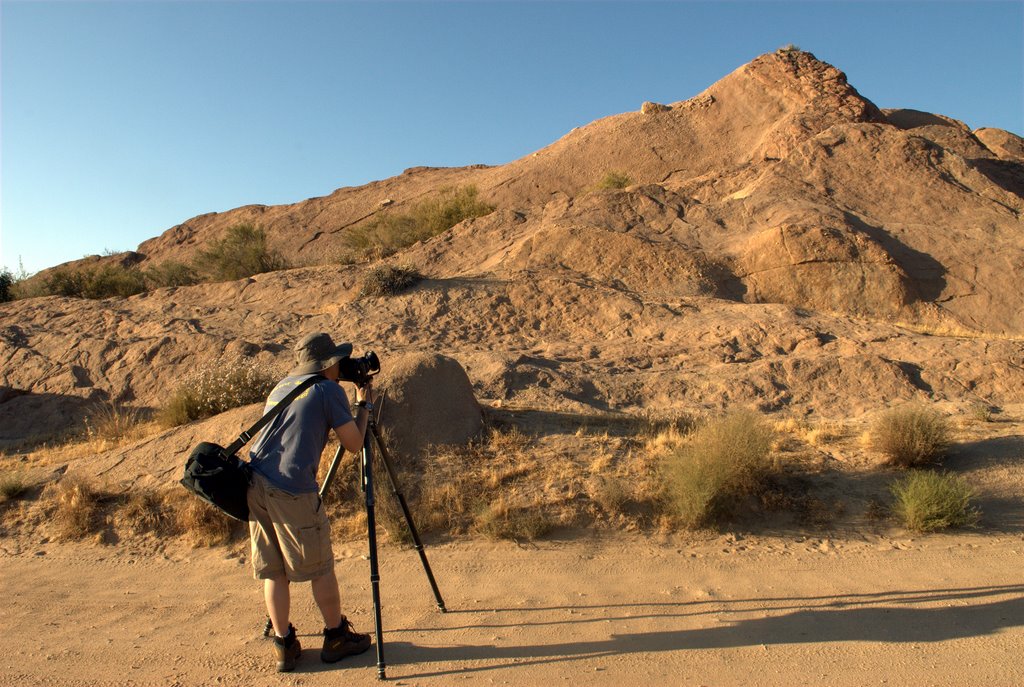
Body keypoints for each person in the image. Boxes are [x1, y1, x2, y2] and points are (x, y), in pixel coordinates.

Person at [246, 332, 374, 672]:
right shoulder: (327, 390)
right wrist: (363, 403)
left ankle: (283, 643)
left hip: (255, 483)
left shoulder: (283, 386)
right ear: (328, 364)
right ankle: (336, 637)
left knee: (275, 571)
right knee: (320, 566)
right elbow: (354, 443)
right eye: (337, 362)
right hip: (292, 487)